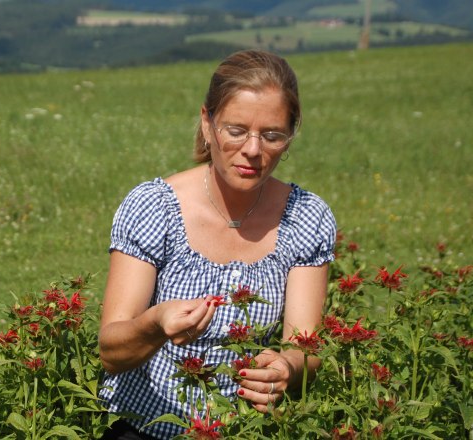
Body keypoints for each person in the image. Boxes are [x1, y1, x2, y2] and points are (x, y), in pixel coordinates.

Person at [97, 49, 336, 439]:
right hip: (145, 428)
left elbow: (305, 347)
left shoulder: (305, 217)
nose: (254, 150)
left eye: (272, 135)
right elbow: (111, 352)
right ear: (207, 124)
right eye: (236, 130)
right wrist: (155, 325)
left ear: (290, 136)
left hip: (244, 430)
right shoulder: (155, 206)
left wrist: (286, 369)